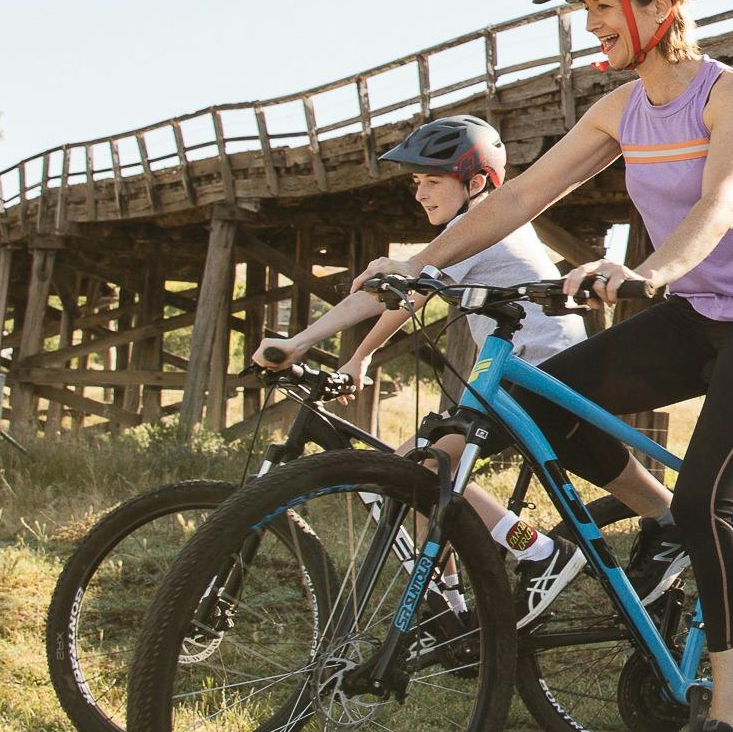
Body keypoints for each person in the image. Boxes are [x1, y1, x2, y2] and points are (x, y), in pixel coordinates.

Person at [357, 0, 733, 732]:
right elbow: (525, 197)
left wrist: (645, 269)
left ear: (662, 6)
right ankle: (660, 529)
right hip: (698, 314)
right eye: (586, 14)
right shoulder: (621, 108)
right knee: (547, 407)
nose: (591, 28)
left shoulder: (730, 96)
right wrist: (416, 270)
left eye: (602, 10)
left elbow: (721, 199)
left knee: (708, 502)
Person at [251, 116, 684, 606]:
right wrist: (359, 357)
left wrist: (301, 341)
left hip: (537, 374)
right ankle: (453, 601)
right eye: (417, 182)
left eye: (433, 181)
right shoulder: (477, 232)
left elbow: (395, 295)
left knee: (419, 470)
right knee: (608, 477)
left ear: (476, 184)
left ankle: (541, 554)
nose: (420, 194)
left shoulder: (478, 231)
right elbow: (409, 298)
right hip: (532, 372)